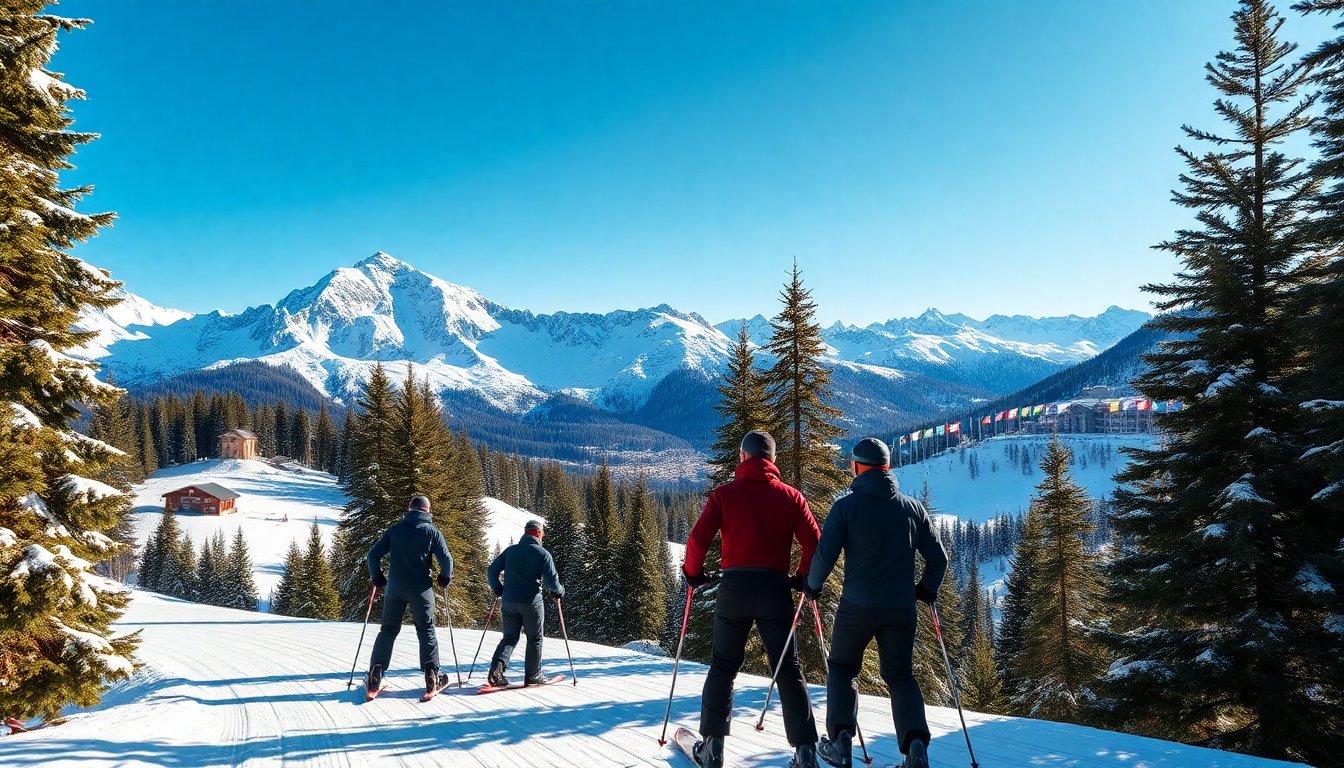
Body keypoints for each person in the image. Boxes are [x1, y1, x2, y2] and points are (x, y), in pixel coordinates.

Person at [804, 438, 947, 768]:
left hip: (857, 606)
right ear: (887, 468)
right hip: (901, 608)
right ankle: (916, 749)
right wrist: (925, 591)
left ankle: (840, 744)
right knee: (900, 677)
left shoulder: (846, 507)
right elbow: (939, 560)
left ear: (857, 466)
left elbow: (825, 556)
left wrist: (812, 587)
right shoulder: (913, 508)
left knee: (842, 668)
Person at [682, 430, 822, 768]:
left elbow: (698, 539)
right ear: (772, 460)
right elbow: (815, 541)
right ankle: (805, 752)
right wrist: (802, 578)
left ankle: (713, 748)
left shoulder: (724, 495)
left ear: (743, 458)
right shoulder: (792, 497)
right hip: (775, 591)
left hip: (734, 590)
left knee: (723, 667)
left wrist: (693, 574)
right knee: (788, 670)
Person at [365, 494, 454, 698]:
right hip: (422, 590)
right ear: (428, 511)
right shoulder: (433, 532)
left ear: (410, 509)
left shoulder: (395, 530)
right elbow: (446, 560)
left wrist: (377, 576)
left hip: (394, 589)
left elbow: (373, 555)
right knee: (426, 631)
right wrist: (444, 578)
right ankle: (432, 677)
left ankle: (376, 673)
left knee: (388, 629)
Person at [486, 519, 564, 687]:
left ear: (525, 533)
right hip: (531, 602)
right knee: (535, 638)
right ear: (539, 534)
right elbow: (552, 582)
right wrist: (559, 591)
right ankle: (533, 675)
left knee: (509, 637)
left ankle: (496, 671)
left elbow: (491, 571)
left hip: (508, 601)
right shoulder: (543, 554)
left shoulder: (511, 551)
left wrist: (498, 588)